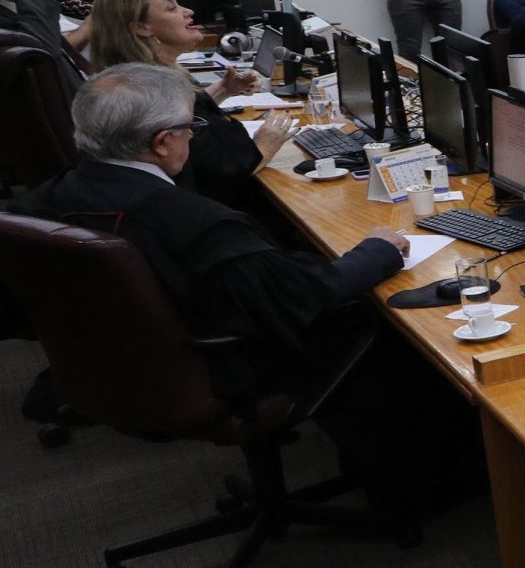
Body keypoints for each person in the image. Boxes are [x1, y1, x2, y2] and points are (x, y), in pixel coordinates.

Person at [10, 64, 404, 397]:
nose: (194, 135)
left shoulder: (44, 199)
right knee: (388, 326)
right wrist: (378, 250)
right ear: (162, 142)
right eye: (190, 126)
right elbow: (302, 294)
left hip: (112, 360)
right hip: (209, 368)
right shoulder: (199, 223)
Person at [79, 0, 289, 208]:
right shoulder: (154, 94)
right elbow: (223, 177)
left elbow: (190, 109)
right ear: (141, 27)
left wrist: (222, 89)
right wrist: (265, 144)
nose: (188, 11)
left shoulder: (137, 79)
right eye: (172, 8)